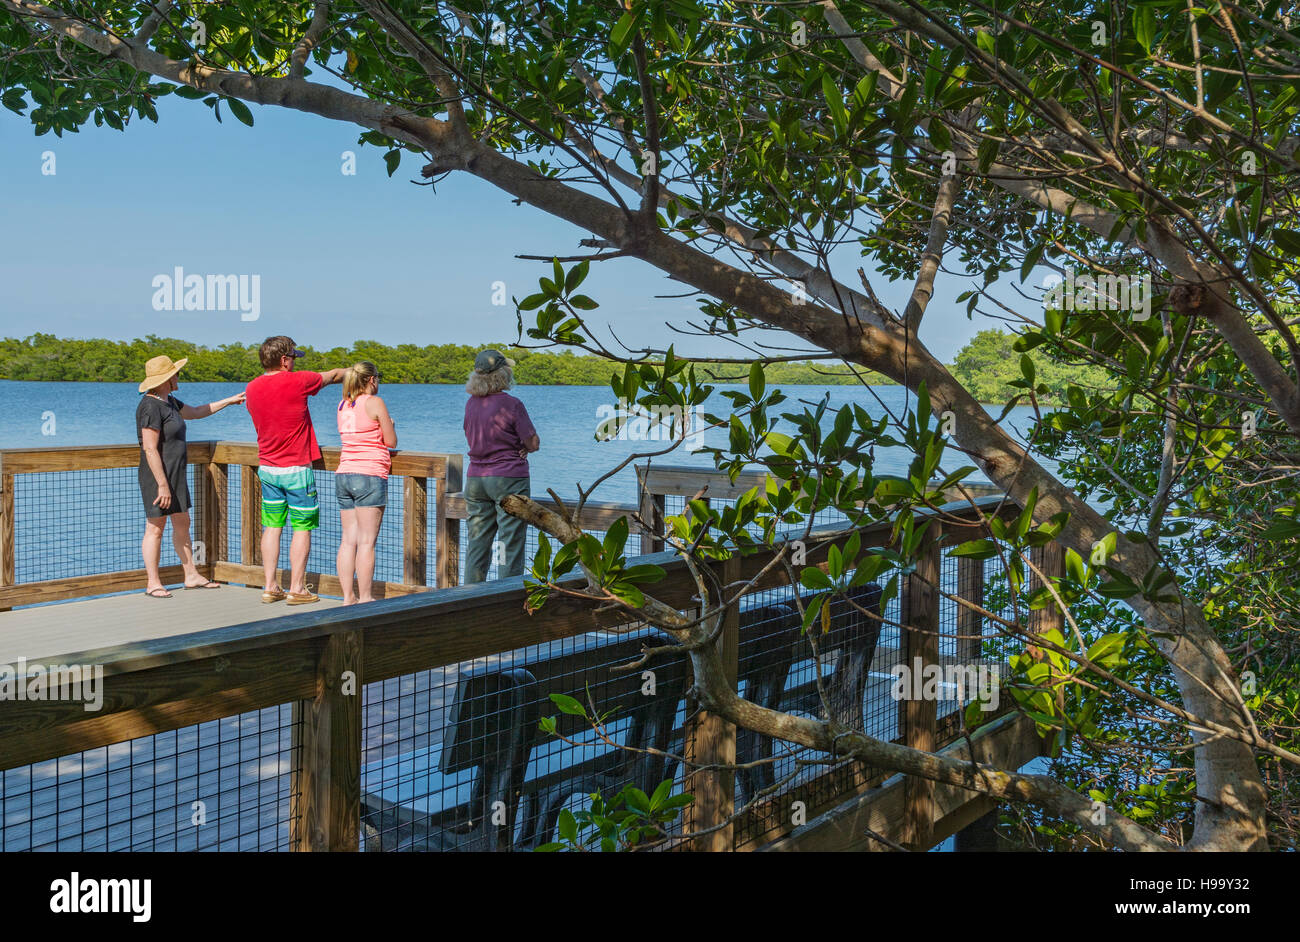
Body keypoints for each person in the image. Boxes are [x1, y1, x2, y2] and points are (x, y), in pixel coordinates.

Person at [243, 336, 345, 605]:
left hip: (268, 468)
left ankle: (270, 586)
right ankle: (297, 588)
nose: (294, 362)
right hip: (297, 469)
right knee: (302, 528)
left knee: (272, 527)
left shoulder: (252, 388)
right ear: (285, 360)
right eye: (293, 358)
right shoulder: (298, 381)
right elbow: (333, 375)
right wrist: (356, 373)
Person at [135, 354, 246, 598]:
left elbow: (196, 412)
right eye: (175, 373)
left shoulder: (170, 401)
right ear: (166, 378)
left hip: (176, 474)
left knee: (182, 524)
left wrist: (229, 400)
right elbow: (150, 448)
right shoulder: (150, 405)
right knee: (155, 527)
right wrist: (162, 485)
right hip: (157, 477)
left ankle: (191, 575)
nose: (178, 377)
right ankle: (153, 582)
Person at [463, 349, 539, 583]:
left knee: (477, 541)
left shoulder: (471, 404)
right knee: (510, 542)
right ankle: (507, 596)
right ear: (502, 374)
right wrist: (525, 446)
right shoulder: (512, 404)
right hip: (508, 478)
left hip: (476, 479)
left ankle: (470, 597)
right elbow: (533, 442)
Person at [335, 361, 397, 605]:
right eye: (378, 377)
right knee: (367, 542)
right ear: (371, 380)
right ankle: (366, 597)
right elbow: (390, 441)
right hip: (370, 474)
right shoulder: (375, 403)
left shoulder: (343, 405)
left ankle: (348, 597)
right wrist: (389, 425)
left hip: (344, 474)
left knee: (348, 539)